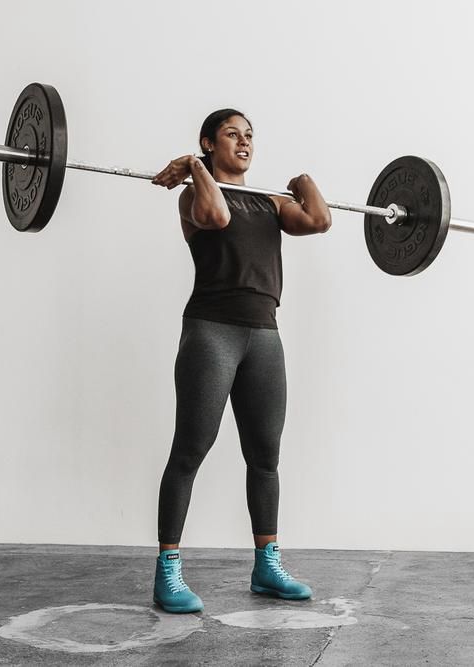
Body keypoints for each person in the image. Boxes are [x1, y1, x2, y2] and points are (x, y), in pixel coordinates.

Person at [149, 109, 332, 613]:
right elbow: (217, 217)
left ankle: (267, 566)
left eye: (250, 135)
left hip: (264, 336)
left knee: (265, 456)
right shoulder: (193, 195)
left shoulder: (272, 201)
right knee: (190, 450)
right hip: (212, 332)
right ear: (209, 142)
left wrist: (303, 181)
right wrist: (194, 168)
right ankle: (168, 570)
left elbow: (319, 220)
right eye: (233, 134)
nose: (245, 142)